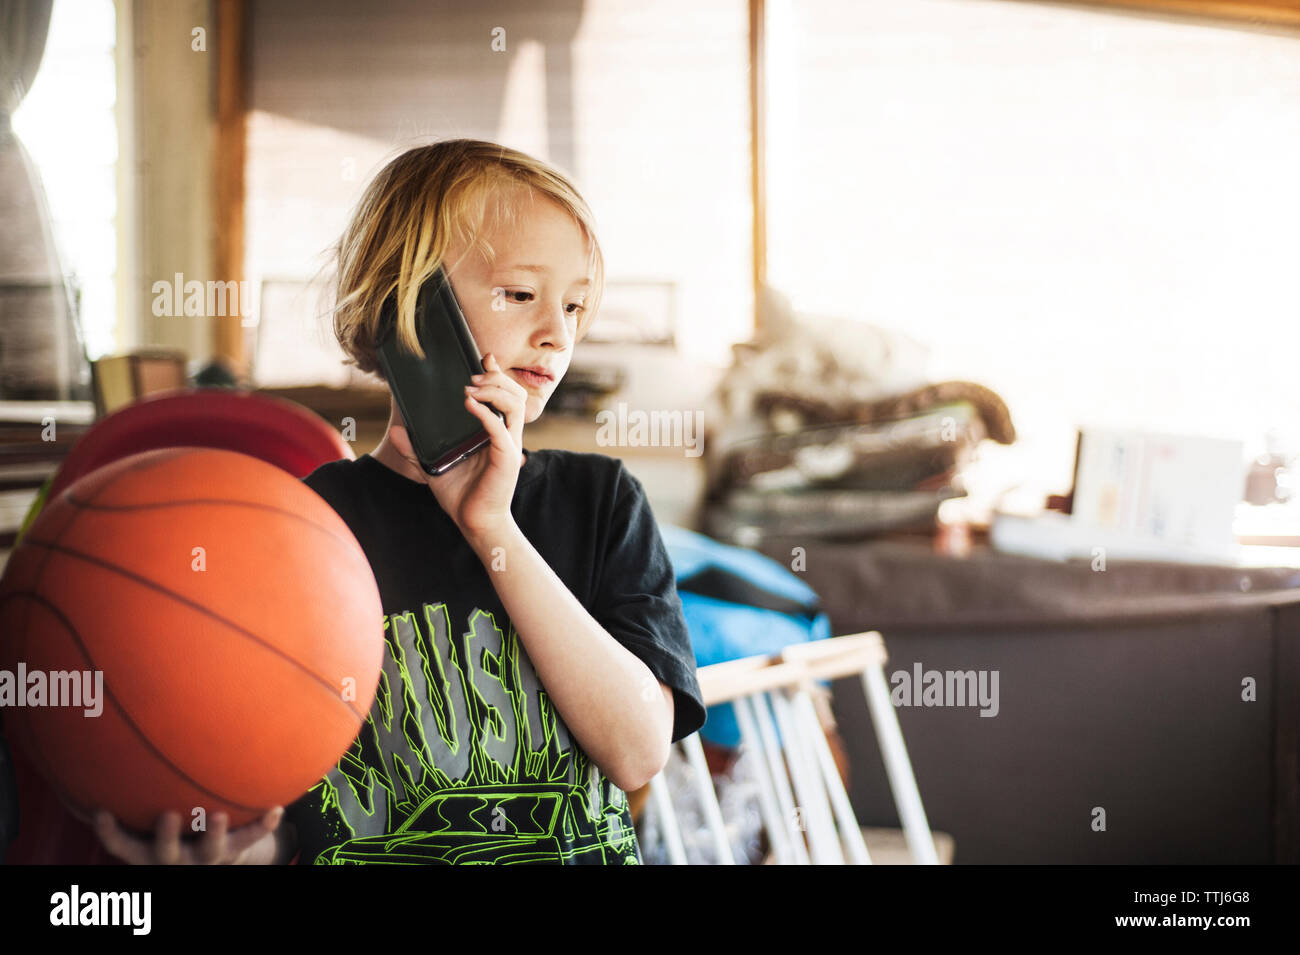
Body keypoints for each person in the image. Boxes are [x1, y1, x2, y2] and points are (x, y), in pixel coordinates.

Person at [93, 139, 706, 865]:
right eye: (520, 294)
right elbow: (305, 812)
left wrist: (490, 527)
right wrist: (228, 853)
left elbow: (637, 752)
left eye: (574, 305)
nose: (558, 332)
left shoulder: (602, 502)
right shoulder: (309, 525)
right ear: (408, 306)